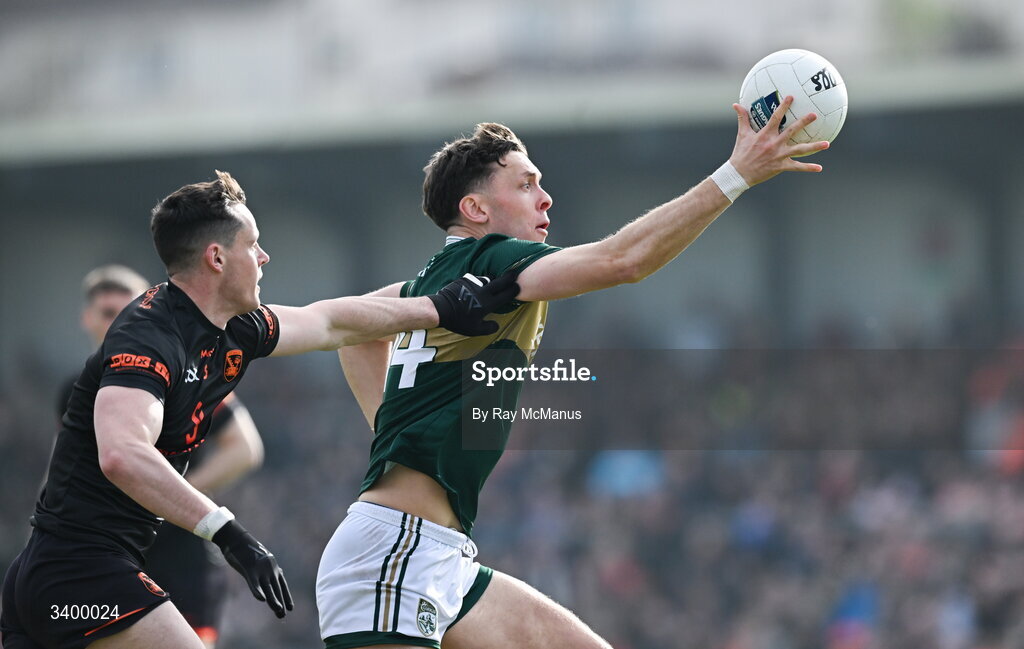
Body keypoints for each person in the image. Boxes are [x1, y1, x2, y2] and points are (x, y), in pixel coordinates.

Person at [319, 97, 828, 649]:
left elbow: (360, 334)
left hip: (436, 554)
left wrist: (401, 439)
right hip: (392, 557)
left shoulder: (431, 285)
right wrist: (737, 175)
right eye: (525, 183)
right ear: (476, 209)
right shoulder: (493, 258)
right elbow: (622, 260)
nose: (546, 197)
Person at [0, 170, 519, 649]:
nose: (265, 256)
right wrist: (227, 532)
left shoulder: (233, 326)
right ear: (217, 258)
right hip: (77, 572)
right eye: (252, 244)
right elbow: (121, 453)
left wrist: (438, 309)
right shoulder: (150, 337)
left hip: (68, 571)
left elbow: (331, 322)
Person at [56, 264, 265, 649]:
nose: (117, 322)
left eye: (126, 310)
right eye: (106, 313)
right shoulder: (75, 391)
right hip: (109, 556)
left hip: (182, 559)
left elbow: (245, 448)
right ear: (86, 318)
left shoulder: (185, 371)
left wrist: (167, 496)